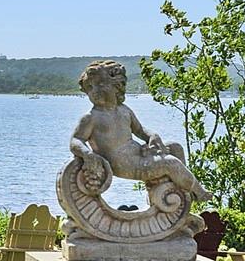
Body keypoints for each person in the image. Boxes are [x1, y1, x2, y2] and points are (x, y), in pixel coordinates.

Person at [68, 59, 208, 202]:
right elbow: (76, 140)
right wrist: (87, 154)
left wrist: (152, 136)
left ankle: (182, 193)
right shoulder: (91, 117)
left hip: (137, 153)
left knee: (175, 147)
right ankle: (199, 192)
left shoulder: (124, 110)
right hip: (124, 164)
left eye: (99, 84)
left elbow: (140, 130)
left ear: (116, 86)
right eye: (89, 88)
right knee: (170, 163)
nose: (94, 91)